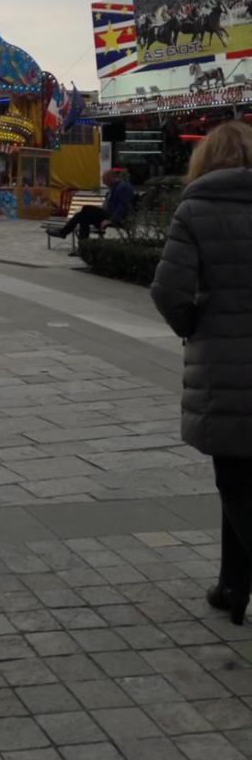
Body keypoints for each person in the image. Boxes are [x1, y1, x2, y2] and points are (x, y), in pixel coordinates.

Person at [151, 121, 252, 626]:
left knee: (234, 478)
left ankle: (237, 584)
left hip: (224, 367)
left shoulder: (195, 208)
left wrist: (195, 326)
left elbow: (168, 290)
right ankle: (232, 584)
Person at [48, 170, 135, 240]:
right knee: (84, 216)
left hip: (116, 219)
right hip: (108, 214)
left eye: (105, 181)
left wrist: (111, 221)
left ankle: (63, 233)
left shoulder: (123, 187)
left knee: (85, 210)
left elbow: (123, 206)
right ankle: (82, 246)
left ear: (111, 178)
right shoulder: (114, 187)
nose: (104, 184)